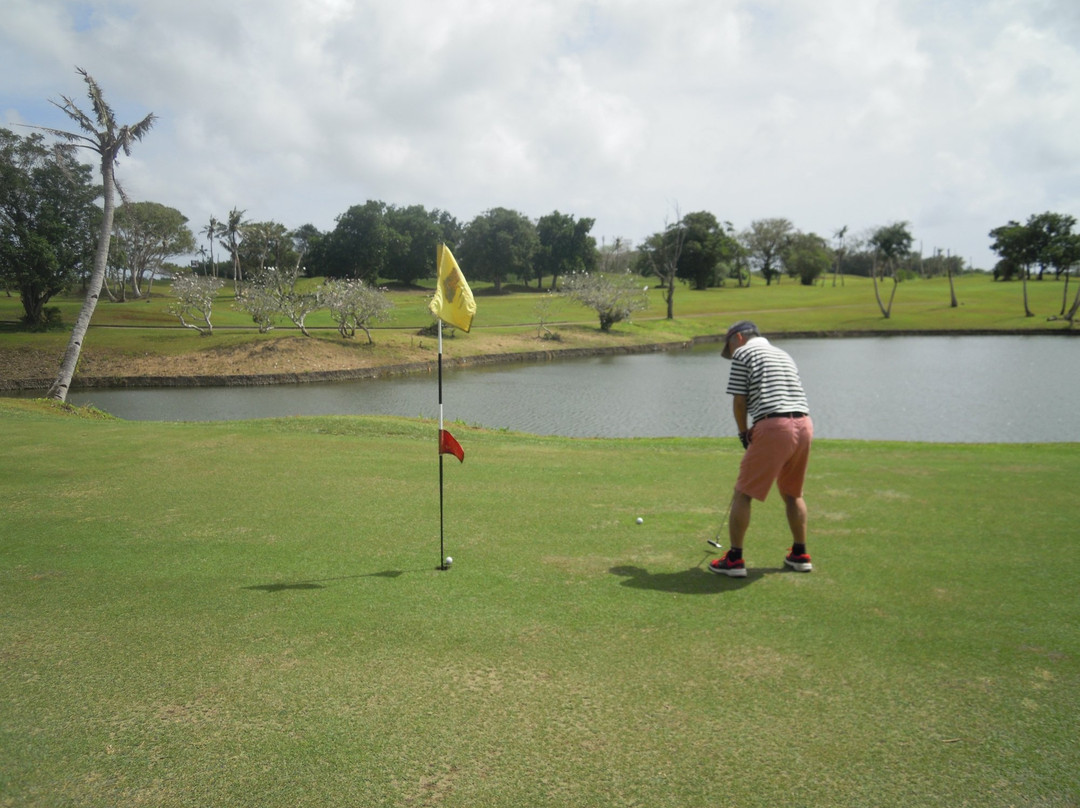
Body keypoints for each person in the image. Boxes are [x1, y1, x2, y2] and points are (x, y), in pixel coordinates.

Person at [708, 320, 814, 578]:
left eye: (729, 347)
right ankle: (800, 554)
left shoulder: (744, 353)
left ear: (738, 339)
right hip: (804, 425)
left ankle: (734, 559)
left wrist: (743, 433)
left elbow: (739, 400)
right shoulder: (782, 353)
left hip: (774, 426)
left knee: (743, 492)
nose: (731, 353)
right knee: (792, 492)